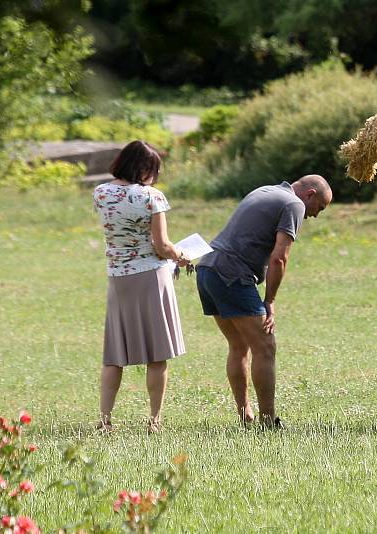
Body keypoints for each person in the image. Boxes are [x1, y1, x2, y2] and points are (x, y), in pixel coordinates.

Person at [196, 175, 332, 427]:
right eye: (319, 208)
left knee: (238, 345)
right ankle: (268, 421)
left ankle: (245, 414)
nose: (315, 215)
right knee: (265, 346)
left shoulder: (265, 189)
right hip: (231, 273)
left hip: (207, 269)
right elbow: (280, 257)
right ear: (310, 194)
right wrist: (269, 300)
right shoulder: (294, 204)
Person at [92, 140, 190, 434]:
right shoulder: (151, 197)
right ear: (145, 168)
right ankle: (154, 420)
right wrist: (181, 256)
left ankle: (105, 420)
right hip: (150, 276)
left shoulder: (101, 193)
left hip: (118, 277)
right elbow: (161, 246)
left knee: (115, 354)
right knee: (157, 353)